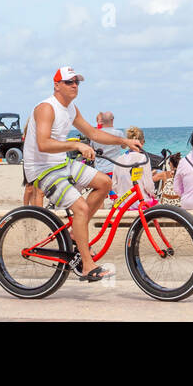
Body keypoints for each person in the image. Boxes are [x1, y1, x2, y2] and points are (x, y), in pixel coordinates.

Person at [22, 66, 138, 282]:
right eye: (69, 82)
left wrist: (125, 142)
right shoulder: (46, 108)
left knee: (105, 183)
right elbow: (43, 143)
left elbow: (93, 133)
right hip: (42, 169)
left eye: (77, 82)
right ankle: (87, 266)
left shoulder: (71, 109)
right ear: (57, 85)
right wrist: (76, 146)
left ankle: (76, 233)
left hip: (61, 163)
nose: (74, 85)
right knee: (81, 208)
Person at [91, 110, 123, 176]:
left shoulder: (95, 134)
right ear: (112, 119)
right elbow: (124, 146)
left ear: (102, 120)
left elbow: (92, 148)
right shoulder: (118, 133)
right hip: (113, 170)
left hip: (99, 171)